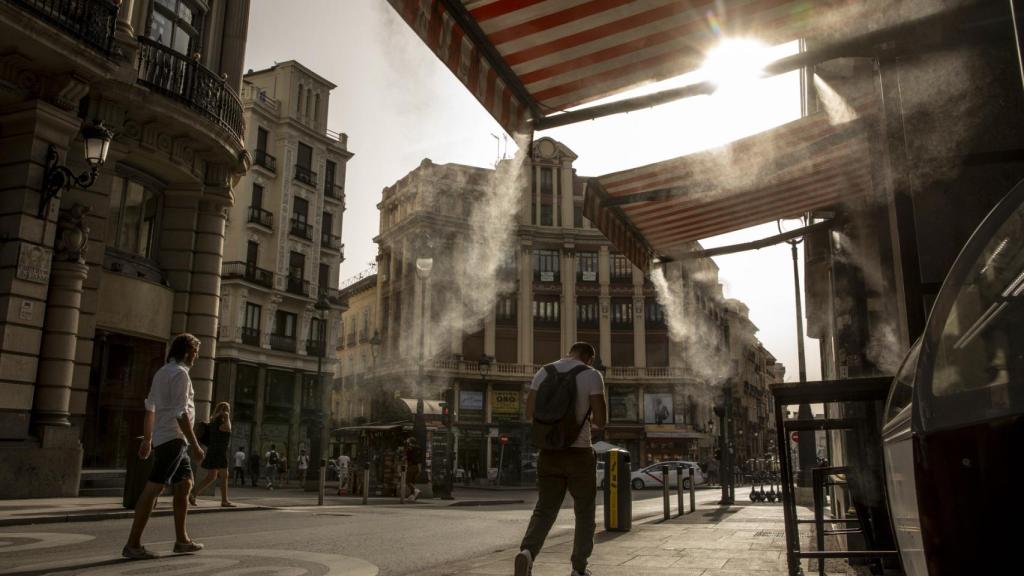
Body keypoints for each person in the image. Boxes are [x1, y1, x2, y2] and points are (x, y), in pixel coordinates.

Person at [515, 342, 606, 576]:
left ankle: (527, 553)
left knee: (544, 509)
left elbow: (529, 413)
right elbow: (601, 421)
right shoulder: (591, 375)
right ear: (589, 357)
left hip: (548, 453)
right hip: (579, 453)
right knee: (584, 512)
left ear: (570, 352)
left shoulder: (544, 371)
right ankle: (578, 568)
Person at [122, 333, 206, 559]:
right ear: (188, 352)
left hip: (167, 438)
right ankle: (133, 544)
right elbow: (181, 413)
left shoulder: (161, 372)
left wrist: (149, 439)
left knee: (185, 484)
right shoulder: (180, 375)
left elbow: (150, 408)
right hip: (173, 439)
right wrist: (196, 445)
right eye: (196, 352)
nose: (197, 357)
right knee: (154, 489)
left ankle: (182, 540)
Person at [189, 402, 235, 507]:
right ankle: (224, 501)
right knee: (224, 475)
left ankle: (193, 494)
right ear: (223, 410)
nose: (228, 411)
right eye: (227, 409)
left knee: (211, 476)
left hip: (214, 451)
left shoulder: (213, 421)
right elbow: (228, 428)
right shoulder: (219, 422)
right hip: (219, 452)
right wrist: (227, 417)